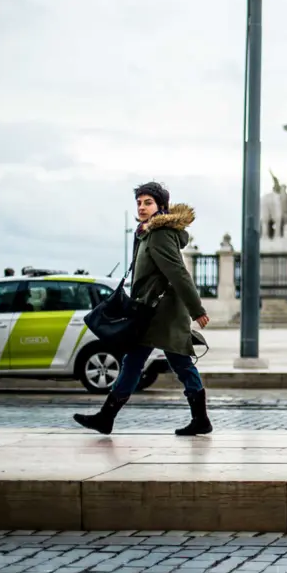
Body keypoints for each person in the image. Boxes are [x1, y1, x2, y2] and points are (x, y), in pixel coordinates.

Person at [74, 182, 212, 436]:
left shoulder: (160, 234)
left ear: (160, 206)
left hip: (164, 313)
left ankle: (200, 420)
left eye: (148, 202)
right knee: (138, 361)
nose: (142, 207)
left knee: (174, 363)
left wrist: (197, 310)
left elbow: (179, 273)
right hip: (150, 311)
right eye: (139, 202)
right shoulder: (146, 233)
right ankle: (107, 417)